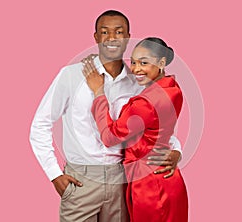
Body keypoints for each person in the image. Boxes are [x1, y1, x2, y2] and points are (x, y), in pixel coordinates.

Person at [30, 10, 182, 222]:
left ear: (128, 37)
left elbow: (156, 128)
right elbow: (40, 124)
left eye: (119, 32)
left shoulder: (138, 82)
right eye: (105, 32)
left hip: (123, 180)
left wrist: (176, 151)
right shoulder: (71, 75)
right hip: (81, 180)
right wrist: (54, 174)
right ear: (96, 38)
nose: (112, 37)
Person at [84, 37, 188, 222]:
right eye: (133, 62)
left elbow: (110, 136)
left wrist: (98, 92)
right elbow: (161, 130)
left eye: (144, 62)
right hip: (166, 179)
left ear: (161, 63)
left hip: (150, 185)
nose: (136, 68)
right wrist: (177, 152)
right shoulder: (172, 88)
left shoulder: (145, 102)